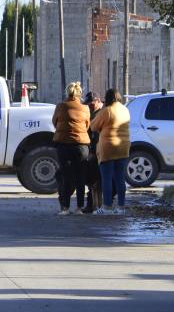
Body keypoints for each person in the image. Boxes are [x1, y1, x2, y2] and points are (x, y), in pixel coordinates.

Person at [90, 88, 131, 215]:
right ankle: (121, 207)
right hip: (123, 146)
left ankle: (107, 207)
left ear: (107, 98)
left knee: (106, 178)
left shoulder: (106, 111)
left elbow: (93, 126)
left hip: (108, 147)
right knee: (120, 178)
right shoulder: (125, 109)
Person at [52, 81, 91, 215]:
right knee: (80, 177)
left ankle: (65, 208)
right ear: (80, 94)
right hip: (81, 146)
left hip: (63, 145)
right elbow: (87, 125)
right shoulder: (85, 108)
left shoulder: (60, 106)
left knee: (65, 176)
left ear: (67, 92)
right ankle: (80, 207)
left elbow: (55, 122)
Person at [79, 91, 103, 214]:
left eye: (92, 104)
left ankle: (98, 205)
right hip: (92, 150)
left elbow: (98, 136)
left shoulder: (101, 114)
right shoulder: (91, 114)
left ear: (99, 101)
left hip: (99, 151)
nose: (90, 106)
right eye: (88, 105)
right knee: (92, 180)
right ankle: (92, 204)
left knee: (98, 180)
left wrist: (93, 151)